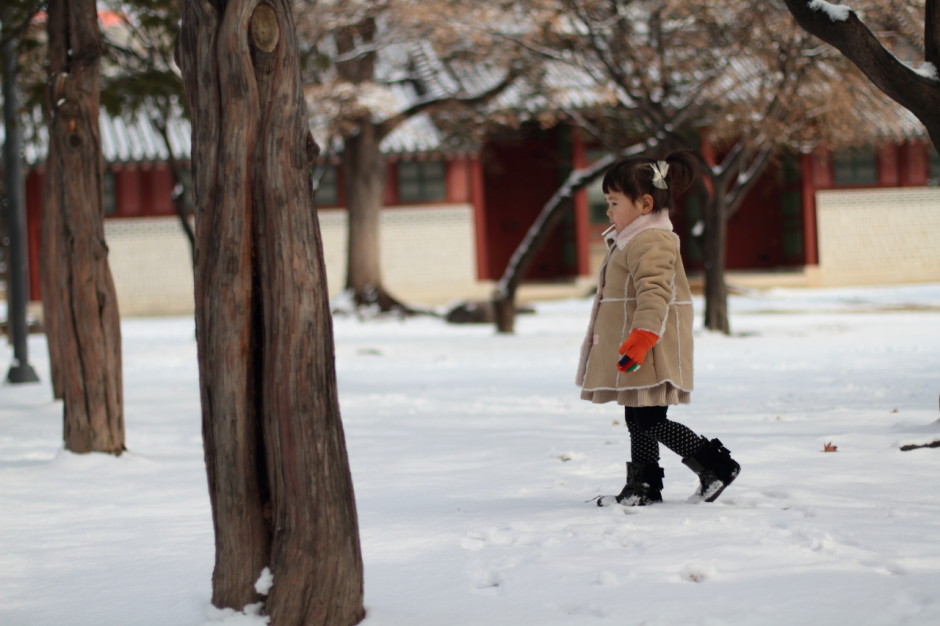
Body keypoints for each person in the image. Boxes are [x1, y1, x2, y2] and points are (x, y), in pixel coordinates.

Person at [575, 151, 740, 506]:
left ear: (644, 203)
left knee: (649, 419)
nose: (609, 210)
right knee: (638, 417)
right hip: (636, 347)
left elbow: (655, 292)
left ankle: (716, 466)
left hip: (648, 347)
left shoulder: (650, 240)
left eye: (614, 202)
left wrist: (643, 337)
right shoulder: (634, 238)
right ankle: (643, 486)